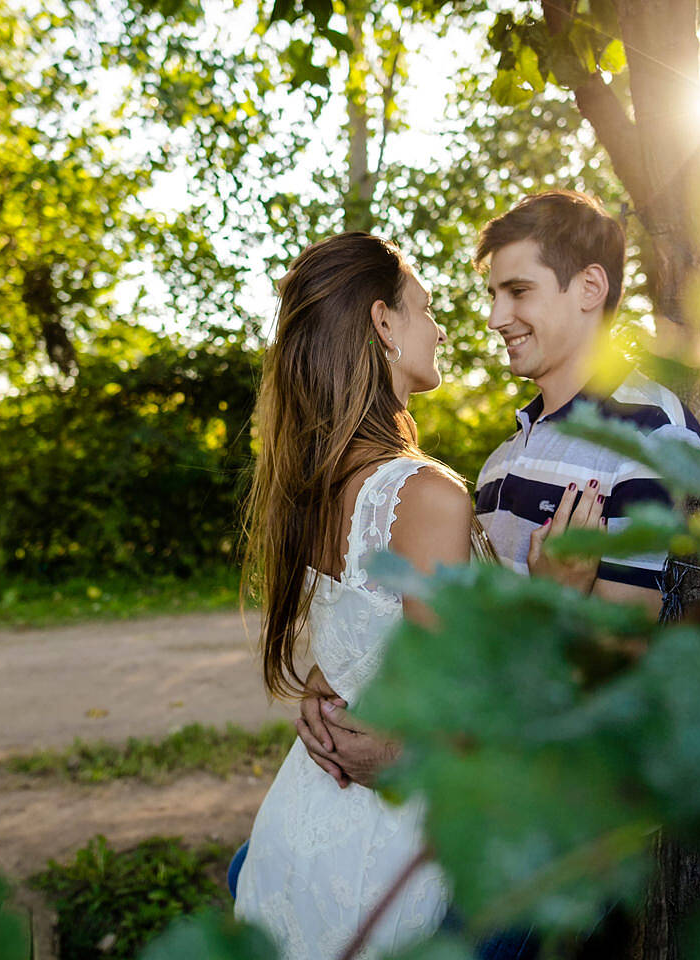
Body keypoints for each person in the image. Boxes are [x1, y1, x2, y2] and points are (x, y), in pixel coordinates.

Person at [296, 190, 700, 789]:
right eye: (494, 294)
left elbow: (618, 667)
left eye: (518, 292)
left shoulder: (650, 441)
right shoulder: (501, 462)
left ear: (591, 288)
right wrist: (341, 673)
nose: (494, 318)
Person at [232, 232, 499, 960]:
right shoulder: (426, 495)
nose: (441, 327)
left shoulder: (312, 487)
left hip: (297, 827)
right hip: (381, 862)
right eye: (427, 308)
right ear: (384, 323)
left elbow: (363, 643)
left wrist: (329, 684)